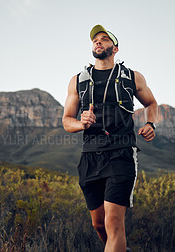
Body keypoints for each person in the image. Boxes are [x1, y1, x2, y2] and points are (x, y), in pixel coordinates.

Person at [62, 24, 158, 252]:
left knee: (113, 221)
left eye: (104, 39)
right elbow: (67, 120)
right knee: (98, 224)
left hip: (120, 153)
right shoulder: (77, 80)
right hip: (89, 157)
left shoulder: (132, 77)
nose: (98, 42)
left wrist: (150, 123)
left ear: (115, 48)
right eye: (95, 39)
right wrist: (81, 123)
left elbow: (151, 103)